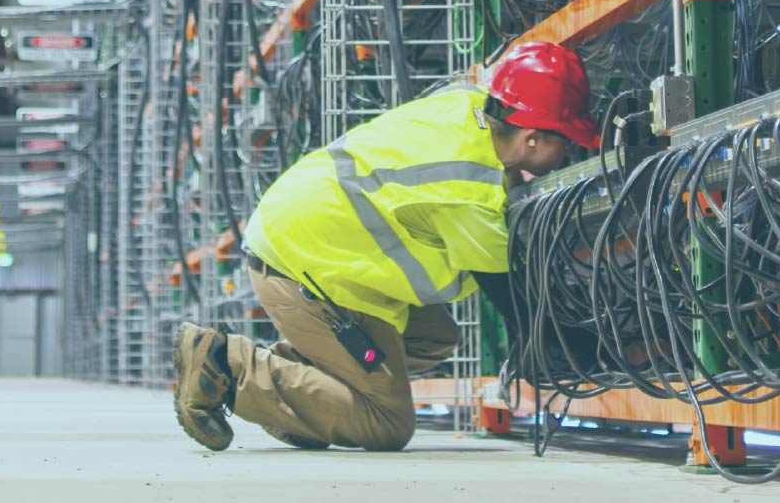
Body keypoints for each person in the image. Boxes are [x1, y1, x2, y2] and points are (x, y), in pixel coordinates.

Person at [171, 40, 599, 453]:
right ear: (531, 139)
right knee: (387, 424)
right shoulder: (468, 190)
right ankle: (227, 364)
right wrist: (591, 351)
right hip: (301, 265)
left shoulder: (465, 106)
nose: (569, 152)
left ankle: (302, 401)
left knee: (434, 336)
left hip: (314, 240)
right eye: (565, 138)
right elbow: (521, 309)